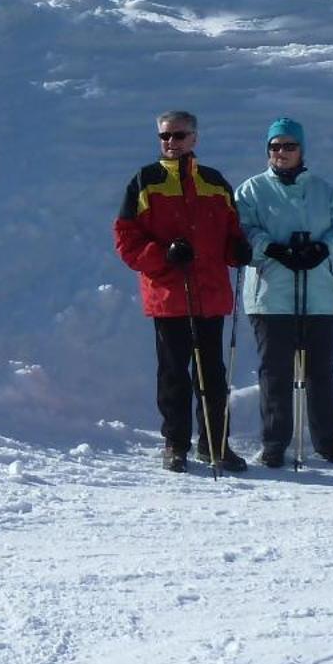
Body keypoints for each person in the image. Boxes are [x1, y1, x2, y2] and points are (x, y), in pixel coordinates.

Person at [115, 110, 253, 472]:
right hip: (169, 294)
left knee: (213, 373)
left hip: (209, 293)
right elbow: (126, 240)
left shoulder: (214, 182)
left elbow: (230, 232)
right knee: (173, 372)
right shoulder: (145, 181)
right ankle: (175, 443)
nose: (170, 143)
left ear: (194, 138)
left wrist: (237, 249)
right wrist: (163, 255)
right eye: (165, 136)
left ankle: (214, 443)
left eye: (178, 135)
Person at [234, 117, 333, 467]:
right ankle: (275, 443)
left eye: (289, 146)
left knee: (320, 371)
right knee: (275, 372)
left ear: (301, 149)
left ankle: (328, 442)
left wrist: (322, 249)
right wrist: (270, 248)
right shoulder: (252, 190)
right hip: (271, 295)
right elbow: (240, 231)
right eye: (275, 146)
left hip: (319, 296)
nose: (282, 152)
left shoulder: (322, 190)